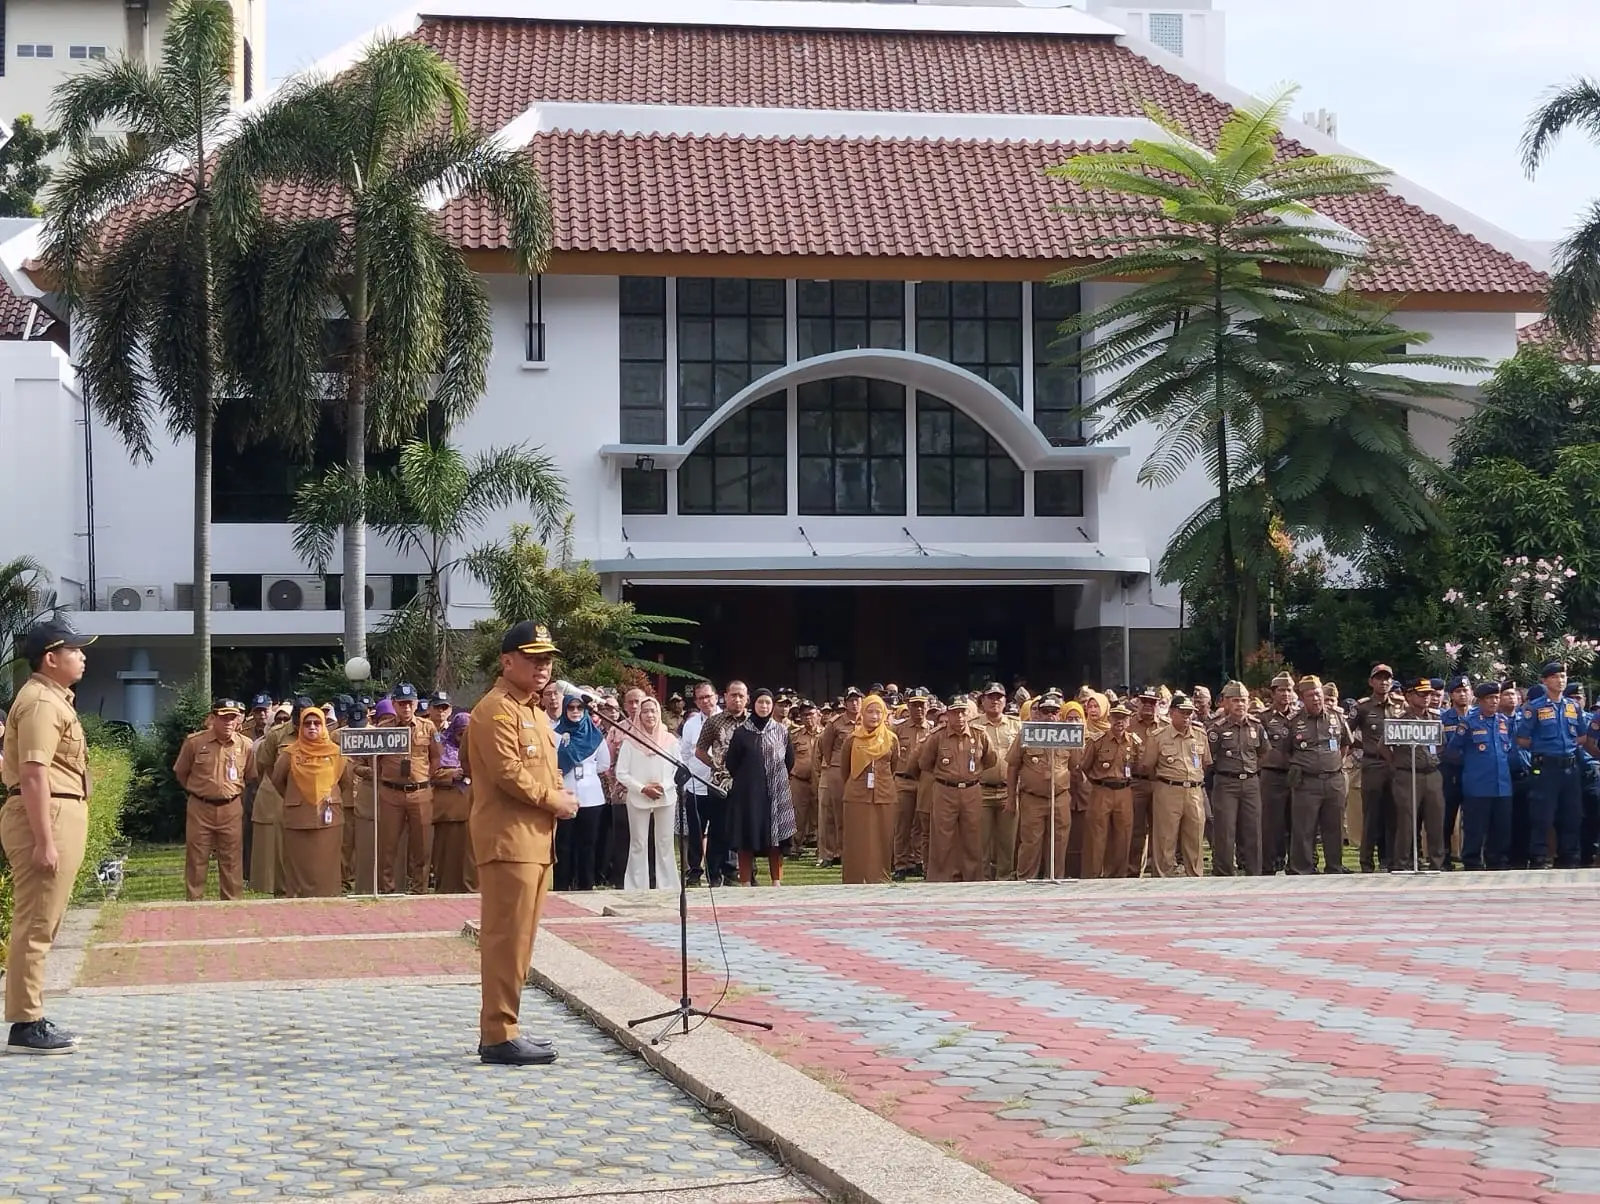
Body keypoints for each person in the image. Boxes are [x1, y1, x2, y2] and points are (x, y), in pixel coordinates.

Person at [467, 621, 579, 1066]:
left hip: (535, 840)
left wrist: (558, 793)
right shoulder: (495, 710)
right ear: (507, 661)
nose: (542, 666)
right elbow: (507, 773)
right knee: (505, 939)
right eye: (533, 658)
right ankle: (498, 1033)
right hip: (508, 839)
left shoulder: (533, 711)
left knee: (522, 940)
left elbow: (545, 769)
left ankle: (507, 1024)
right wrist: (555, 800)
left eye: (547, 659)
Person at [1, 619, 96, 1054]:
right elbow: (34, 773)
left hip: (58, 810)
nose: (82, 656)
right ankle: (25, 1023)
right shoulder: (41, 702)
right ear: (51, 658)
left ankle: (31, 1013)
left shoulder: (53, 699)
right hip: (46, 813)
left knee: (45, 920)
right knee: (37, 921)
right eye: (74, 649)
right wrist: (44, 840)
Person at [172, 698, 255, 901]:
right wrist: (200, 791)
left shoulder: (245, 745)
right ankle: (194, 901)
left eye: (232, 718)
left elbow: (250, 775)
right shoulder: (195, 742)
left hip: (231, 807)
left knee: (232, 858)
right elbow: (181, 772)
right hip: (200, 807)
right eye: (224, 717)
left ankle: (231, 903)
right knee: (197, 857)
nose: (228, 722)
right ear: (213, 718)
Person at [272, 703, 351, 898]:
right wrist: (295, 797)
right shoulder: (290, 754)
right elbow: (277, 781)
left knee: (327, 863)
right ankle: (298, 902)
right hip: (298, 818)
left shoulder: (337, 753)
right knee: (299, 863)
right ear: (300, 727)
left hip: (328, 818)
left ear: (324, 726)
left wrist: (327, 797)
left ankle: (329, 898)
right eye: (307, 724)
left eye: (317, 723)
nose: (312, 727)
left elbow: (345, 782)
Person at [370, 683, 441, 894]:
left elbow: (436, 757)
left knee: (422, 844)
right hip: (391, 793)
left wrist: (424, 779)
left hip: (420, 792)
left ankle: (419, 889)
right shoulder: (384, 729)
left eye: (410, 703)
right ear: (394, 705)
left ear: (416, 704)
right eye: (402, 704)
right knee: (388, 844)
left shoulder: (428, 727)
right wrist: (384, 778)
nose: (406, 708)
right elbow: (374, 760)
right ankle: (387, 889)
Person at [917, 695, 995, 882]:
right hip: (945, 790)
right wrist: (947, 775)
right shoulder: (937, 736)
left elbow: (991, 759)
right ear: (947, 713)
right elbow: (925, 763)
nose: (959, 716)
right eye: (955, 712)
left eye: (962, 712)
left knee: (973, 836)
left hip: (971, 790)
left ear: (968, 713)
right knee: (942, 837)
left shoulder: (979, 734)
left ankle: (973, 879)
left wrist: (971, 774)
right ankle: (940, 879)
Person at [725, 689, 797, 886]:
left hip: (776, 791)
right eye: (760, 702)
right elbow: (732, 763)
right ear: (753, 704)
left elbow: (789, 760)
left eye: (767, 702)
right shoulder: (742, 733)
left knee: (776, 839)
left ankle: (776, 881)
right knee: (746, 836)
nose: (764, 706)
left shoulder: (781, 731)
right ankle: (745, 881)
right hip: (748, 794)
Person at [1516, 662, 1584, 869]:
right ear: (1544, 681)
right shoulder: (1535, 707)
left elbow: (1582, 736)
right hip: (1546, 768)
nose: (1560, 681)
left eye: (1562, 676)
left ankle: (1569, 857)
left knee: (1572, 814)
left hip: (1570, 767)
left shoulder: (1573, 706)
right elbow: (1522, 739)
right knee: (1542, 815)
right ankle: (1538, 857)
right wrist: (1542, 749)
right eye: (1555, 677)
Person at [1287, 675, 1353, 875]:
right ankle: (1302, 867)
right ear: (1302, 698)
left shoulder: (1337, 717)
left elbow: (1345, 745)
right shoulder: (1293, 722)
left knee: (1334, 826)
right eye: (1310, 695)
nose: (1315, 699)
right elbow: (1284, 751)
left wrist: (1333, 763)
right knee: (1304, 827)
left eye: (1318, 694)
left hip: (1334, 780)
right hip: (1307, 782)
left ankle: (1334, 866)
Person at [1005, 691, 1073, 880]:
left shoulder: (1069, 735)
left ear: (1060, 714)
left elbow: (1076, 766)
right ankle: (1026, 880)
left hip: (1060, 797)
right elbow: (1013, 766)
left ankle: (1056, 878)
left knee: (1059, 842)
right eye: (1045, 711)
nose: (1050, 716)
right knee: (1030, 842)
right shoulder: (1026, 733)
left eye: (1054, 712)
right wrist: (1011, 797)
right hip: (1033, 798)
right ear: (1038, 712)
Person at [614, 696, 679, 893]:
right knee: (638, 842)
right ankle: (636, 887)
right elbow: (621, 773)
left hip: (665, 796)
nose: (650, 715)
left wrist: (663, 786)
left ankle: (667, 886)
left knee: (665, 842)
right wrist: (642, 788)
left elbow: (678, 770)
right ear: (639, 715)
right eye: (645, 711)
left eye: (653, 711)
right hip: (638, 797)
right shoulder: (630, 741)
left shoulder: (670, 741)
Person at [1142, 693, 1211, 877]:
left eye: (1189, 713)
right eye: (1183, 712)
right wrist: (1165, 782)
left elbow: (1205, 763)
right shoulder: (1158, 736)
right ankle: (1163, 878)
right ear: (1172, 712)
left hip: (1194, 790)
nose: (1187, 717)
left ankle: (1194, 877)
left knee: (1195, 837)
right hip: (1168, 789)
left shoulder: (1200, 735)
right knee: (1165, 838)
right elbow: (1147, 766)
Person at [1207, 681, 1269, 876]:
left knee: (1253, 829)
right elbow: (1209, 758)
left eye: (1243, 700)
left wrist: (1252, 770)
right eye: (1235, 700)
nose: (1240, 705)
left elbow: (1264, 753)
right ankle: (1224, 872)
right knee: (1225, 830)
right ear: (1226, 702)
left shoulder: (1256, 726)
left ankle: (1254, 872)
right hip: (1226, 782)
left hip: (1250, 782)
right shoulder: (1217, 729)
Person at [1452, 681, 1513, 870]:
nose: (1494, 701)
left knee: (1501, 828)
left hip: (1502, 785)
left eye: (1496, 697)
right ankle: (1472, 862)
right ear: (1480, 700)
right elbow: (1453, 750)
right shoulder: (1469, 723)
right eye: (1489, 698)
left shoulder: (1504, 721)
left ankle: (1498, 862)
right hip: (1478, 785)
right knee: (1475, 829)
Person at [554, 689, 610, 891]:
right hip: (565, 793)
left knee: (588, 844)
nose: (575, 711)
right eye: (571, 707)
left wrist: (586, 770)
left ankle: (586, 885)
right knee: (563, 843)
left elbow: (604, 764)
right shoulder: (555, 734)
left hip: (591, 797)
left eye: (580, 707)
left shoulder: (596, 736)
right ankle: (562, 885)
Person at [839, 692, 898, 884]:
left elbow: (894, 766)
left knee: (882, 839)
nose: (874, 716)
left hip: (884, 795)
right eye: (870, 711)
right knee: (857, 839)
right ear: (862, 714)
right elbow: (844, 770)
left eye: (878, 712)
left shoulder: (891, 739)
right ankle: (854, 879)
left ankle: (880, 878)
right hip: (857, 796)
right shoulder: (852, 739)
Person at [694, 681, 748, 886]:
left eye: (741, 695)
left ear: (747, 698)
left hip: (745, 784)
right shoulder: (714, 722)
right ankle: (714, 873)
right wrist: (715, 765)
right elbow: (699, 751)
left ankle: (738, 872)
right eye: (733, 695)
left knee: (744, 828)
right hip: (720, 784)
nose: (737, 699)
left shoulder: (753, 722)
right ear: (725, 697)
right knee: (718, 829)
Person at [1352, 664, 1405, 873]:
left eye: (1387, 678)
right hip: (1373, 763)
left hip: (1395, 764)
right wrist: (1365, 745)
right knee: (1371, 815)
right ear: (1371, 682)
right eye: (1379, 678)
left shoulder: (1400, 704)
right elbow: (1346, 732)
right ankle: (1366, 862)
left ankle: (1390, 860)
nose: (1384, 682)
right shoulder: (1363, 707)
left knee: (1394, 814)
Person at [1391, 677, 1447, 872]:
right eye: (1421, 694)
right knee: (1406, 821)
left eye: (1429, 694)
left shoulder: (1434, 718)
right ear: (1409, 696)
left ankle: (1437, 862)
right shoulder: (1400, 720)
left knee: (1436, 820)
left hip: (1432, 773)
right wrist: (1397, 763)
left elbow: (1442, 744)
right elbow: (1384, 746)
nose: (1426, 698)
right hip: (1408, 775)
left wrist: (1432, 757)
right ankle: (1402, 862)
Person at [972, 682, 1022, 880]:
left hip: (1008, 791)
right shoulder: (973, 725)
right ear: (982, 701)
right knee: (980, 841)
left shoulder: (1017, 725)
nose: (995, 701)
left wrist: (1014, 794)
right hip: (981, 790)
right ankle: (983, 879)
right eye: (990, 697)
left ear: (1005, 701)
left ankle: (1005, 879)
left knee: (1007, 842)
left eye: (999, 697)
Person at [677, 681, 718, 886]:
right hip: (696, 785)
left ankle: (716, 871)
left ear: (716, 697)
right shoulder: (691, 724)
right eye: (701, 698)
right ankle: (694, 870)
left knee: (719, 831)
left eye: (708, 697)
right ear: (696, 702)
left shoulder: (725, 719)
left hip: (719, 786)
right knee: (695, 831)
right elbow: (685, 753)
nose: (705, 701)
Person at [891, 690, 935, 881]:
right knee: (902, 825)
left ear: (928, 707)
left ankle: (918, 861)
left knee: (922, 825)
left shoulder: (933, 729)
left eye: (922, 705)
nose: (918, 709)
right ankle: (900, 864)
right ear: (908, 706)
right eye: (915, 705)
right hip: (903, 780)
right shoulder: (898, 729)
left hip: (924, 781)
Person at [815, 688, 861, 869]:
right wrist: (834, 765)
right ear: (845, 703)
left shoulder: (866, 720)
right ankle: (830, 853)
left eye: (857, 700)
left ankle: (849, 851)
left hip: (859, 770)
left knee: (854, 814)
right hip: (837, 769)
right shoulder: (835, 723)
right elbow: (826, 749)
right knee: (833, 813)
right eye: (851, 701)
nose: (854, 704)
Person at [431, 712, 476, 893]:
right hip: (447, 812)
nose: (463, 739)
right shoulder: (441, 748)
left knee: (471, 856)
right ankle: (446, 889)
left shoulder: (480, 749)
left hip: (473, 809)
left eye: (467, 734)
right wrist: (452, 773)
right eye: (460, 734)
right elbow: (430, 773)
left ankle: (472, 889)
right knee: (447, 855)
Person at [1259, 672, 1299, 874]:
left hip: (1295, 773)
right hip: (1271, 775)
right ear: (1273, 693)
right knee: (1271, 822)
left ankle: (1296, 864)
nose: (1285, 694)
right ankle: (1270, 864)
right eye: (1281, 690)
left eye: (1289, 690)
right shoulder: (1263, 717)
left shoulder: (1299, 716)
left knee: (1297, 821)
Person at [1127, 687, 1165, 877]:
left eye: (1153, 702)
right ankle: (1133, 871)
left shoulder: (1166, 725)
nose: (1149, 705)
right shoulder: (1129, 724)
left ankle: (1158, 871)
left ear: (1158, 704)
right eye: (1145, 701)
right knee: (1135, 829)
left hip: (1160, 782)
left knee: (1161, 829)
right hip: (1136, 783)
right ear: (1138, 702)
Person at [788, 702, 821, 854]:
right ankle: (795, 847)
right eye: (804, 715)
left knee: (820, 814)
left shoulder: (825, 734)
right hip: (799, 779)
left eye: (811, 714)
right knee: (797, 814)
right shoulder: (794, 735)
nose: (808, 718)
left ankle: (821, 848)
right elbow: (787, 757)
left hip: (819, 780)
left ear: (818, 715)